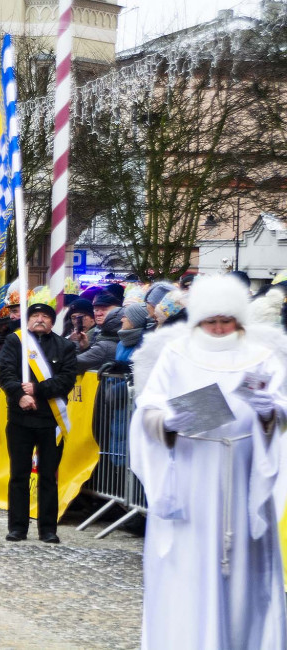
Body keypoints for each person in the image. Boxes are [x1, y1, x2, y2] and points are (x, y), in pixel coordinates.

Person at [130, 274, 287, 648]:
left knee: (246, 571)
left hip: (245, 473)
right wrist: (166, 422)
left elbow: (279, 409)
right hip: (191, 474)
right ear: (199, 320)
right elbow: (148, 407)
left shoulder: (261, 356)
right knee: (189, 563)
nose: (218, 328)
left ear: (238, 320)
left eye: (226, 320)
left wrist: (271, 412)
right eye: (211, 321)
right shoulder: (176, 353)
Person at [0, 301, 77, 544]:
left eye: (45, 316)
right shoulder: (15, 342)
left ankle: (48, 529)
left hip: (50, 423)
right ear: (27, 320)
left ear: (53, 322)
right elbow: (5, 374)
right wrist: (20, 396)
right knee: (18, 475)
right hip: (21, 420)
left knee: (48, 477)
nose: (40, 319)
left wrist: (38, 389)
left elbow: (67, 380)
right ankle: (18, 527)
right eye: (35, 316)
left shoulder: (65, 346)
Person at [71, 293, 122, 373]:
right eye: (96, 309)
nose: (98, 314)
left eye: (104, 309)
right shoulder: (96, 333)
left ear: (118, 311)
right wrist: (85, 348)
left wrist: (75, 343)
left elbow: (74, 364)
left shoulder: (107, 344)